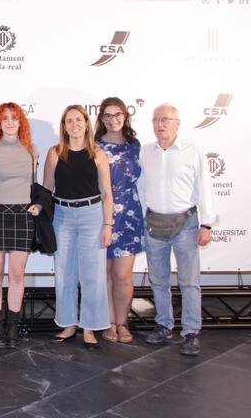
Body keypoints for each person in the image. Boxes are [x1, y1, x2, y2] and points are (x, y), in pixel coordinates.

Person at [140, 103, 216, 356]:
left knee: (189, 281)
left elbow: (204, 188)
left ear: (177, 123)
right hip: (154, 223)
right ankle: (163, 325)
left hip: (186, 224)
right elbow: (141, 186)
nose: (160, 124)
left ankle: (191, 332)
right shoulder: (145, 152)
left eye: (165, 119)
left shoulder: (192, 150)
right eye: (156, 120)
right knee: (158, 280)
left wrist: (206, 224)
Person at [43, 105, 113, 350]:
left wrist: (108, 224)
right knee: (64, 272)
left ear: (86, 124)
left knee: (93, 274)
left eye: (78, 120)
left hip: (92, 215)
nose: (74, 125)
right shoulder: (54, 153)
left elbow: (106, 192)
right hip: (62, 216)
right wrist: (41, 215)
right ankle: (68, 323)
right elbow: (47, 189)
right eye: (69, 120)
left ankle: (90, 327)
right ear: (64, 126)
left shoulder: (98, 154)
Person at [0, 103, 40, 348]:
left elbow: (35, 188)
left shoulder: (31, 150)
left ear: (21, 122)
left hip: (23, 216)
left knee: (17, 274)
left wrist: (38, 206)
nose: (10, 122)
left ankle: (13, 327)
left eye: (14, 118)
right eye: (5, 118)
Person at [94, 97, 144, 344]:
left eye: (118, 115)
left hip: (129, 216)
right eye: (108, 115)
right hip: (101, 215)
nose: (113, 120)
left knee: (123, 275)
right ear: (101, 119)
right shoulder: (94, 146)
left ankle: (123, 323)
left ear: (125, 116)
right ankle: (109, 322)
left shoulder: (135, 145)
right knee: (104, 273)